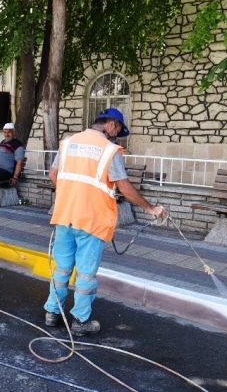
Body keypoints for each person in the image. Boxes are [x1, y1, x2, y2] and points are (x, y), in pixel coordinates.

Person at [43, 108, 167, 336]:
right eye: (118, 129)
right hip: (92, 220)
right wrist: (150, 208)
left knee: (61, 268)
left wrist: (72, 195)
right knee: (86, 274)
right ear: (111, 124)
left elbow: (53, 174)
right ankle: (80, 321)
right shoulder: (109, 150)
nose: (117, 135)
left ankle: (53, 313)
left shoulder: (69, 143)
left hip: (64, 215)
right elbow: (125, 187)